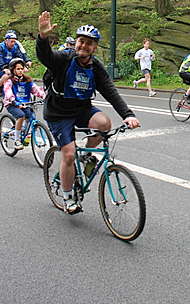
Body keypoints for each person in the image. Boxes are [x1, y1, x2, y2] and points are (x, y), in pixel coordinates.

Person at [36, 12, 139, 214]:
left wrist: (128, 115)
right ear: (76, 42)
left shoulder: (96, 67)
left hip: (81, 109)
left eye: (89, 43)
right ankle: (68, 198)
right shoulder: (64, 59)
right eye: (81, 41)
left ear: (94, 47)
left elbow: (110, 91)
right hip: (58, 113)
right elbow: (45, 56)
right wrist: (43, 37)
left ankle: (86, 153)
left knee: (104, 124)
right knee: (68, 154)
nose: (84, 46)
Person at [2, 58, 46, 149]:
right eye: (18, 69)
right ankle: (17, 140)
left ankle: (23, 130)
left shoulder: (27, 81)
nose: (20, 71)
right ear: (13, 70)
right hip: (12, 104)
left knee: (29, 115)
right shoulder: (9, 81)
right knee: (21, 116)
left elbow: (36, 89)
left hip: (25, 103)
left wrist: (44, 96)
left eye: (22, 69)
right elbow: (8, 91)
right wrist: (13, 100)